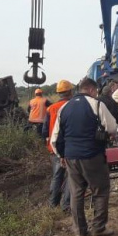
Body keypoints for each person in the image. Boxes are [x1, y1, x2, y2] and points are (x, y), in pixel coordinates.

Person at [52, 77, 118, 236]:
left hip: (71, 157)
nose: (96, 94)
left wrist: (61, 155)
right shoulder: (96, 105)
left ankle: (79, 229)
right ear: (90, 89)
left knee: (76, 193)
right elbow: (113, 127)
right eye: (95, 91)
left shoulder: (64, 108)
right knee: (100, 190)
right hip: (92, 155)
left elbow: (56, 138)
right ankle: (99, 228)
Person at [43, 80, 73, 213]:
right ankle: (66, 205)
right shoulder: (73, 106)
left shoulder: (51, 108)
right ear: (70, 92)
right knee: (71, 176)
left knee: (57, 175)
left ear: (59, 93)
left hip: (54, 148)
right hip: (70, 147)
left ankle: (53, 204)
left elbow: (44, 131)